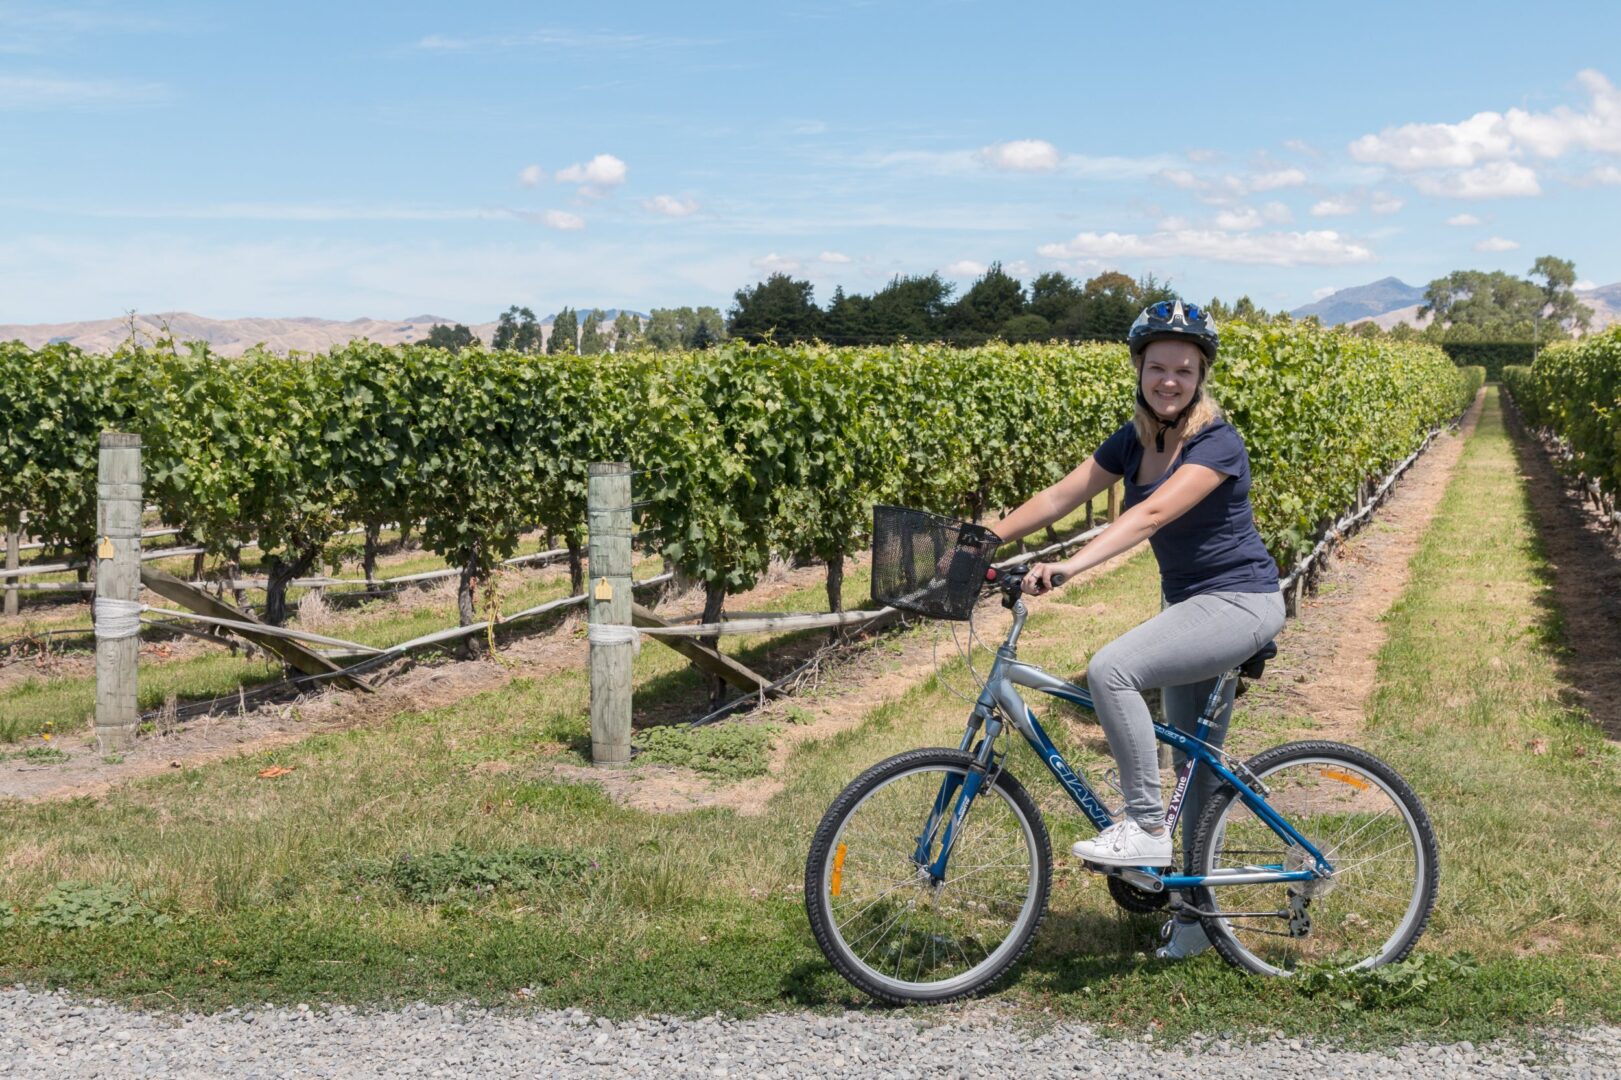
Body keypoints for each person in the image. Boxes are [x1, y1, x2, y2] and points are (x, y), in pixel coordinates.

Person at [987, 299, 1285, 960]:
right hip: (1191, 607)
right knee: (1195, 772)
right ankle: (1193, 926)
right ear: (1139, 369)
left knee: (1110, 669)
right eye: (1157, 367)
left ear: (1201, 374)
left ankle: (1144, 827)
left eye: (1183, 368)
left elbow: (1147, 517)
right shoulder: (1133, 439)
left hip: (1238, 603)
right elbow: (1062, 495)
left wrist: (1067, 568)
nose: (1169, 380)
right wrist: (987, 536)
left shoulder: (1217, 442)